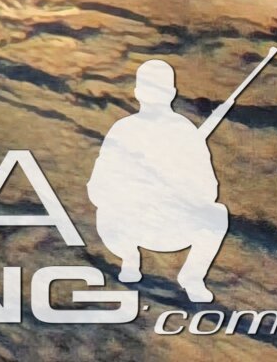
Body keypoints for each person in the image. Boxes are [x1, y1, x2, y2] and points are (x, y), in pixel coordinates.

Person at [90, 58, 232, 302]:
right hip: (160, 228)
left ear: (138, 93)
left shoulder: (125, 129)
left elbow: (97, 189)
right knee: (217, 214)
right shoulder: (183, 131)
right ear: (172, 93)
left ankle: (135, 259)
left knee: (105, 210)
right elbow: (209, 192)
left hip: (140, 228)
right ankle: (185, 274)